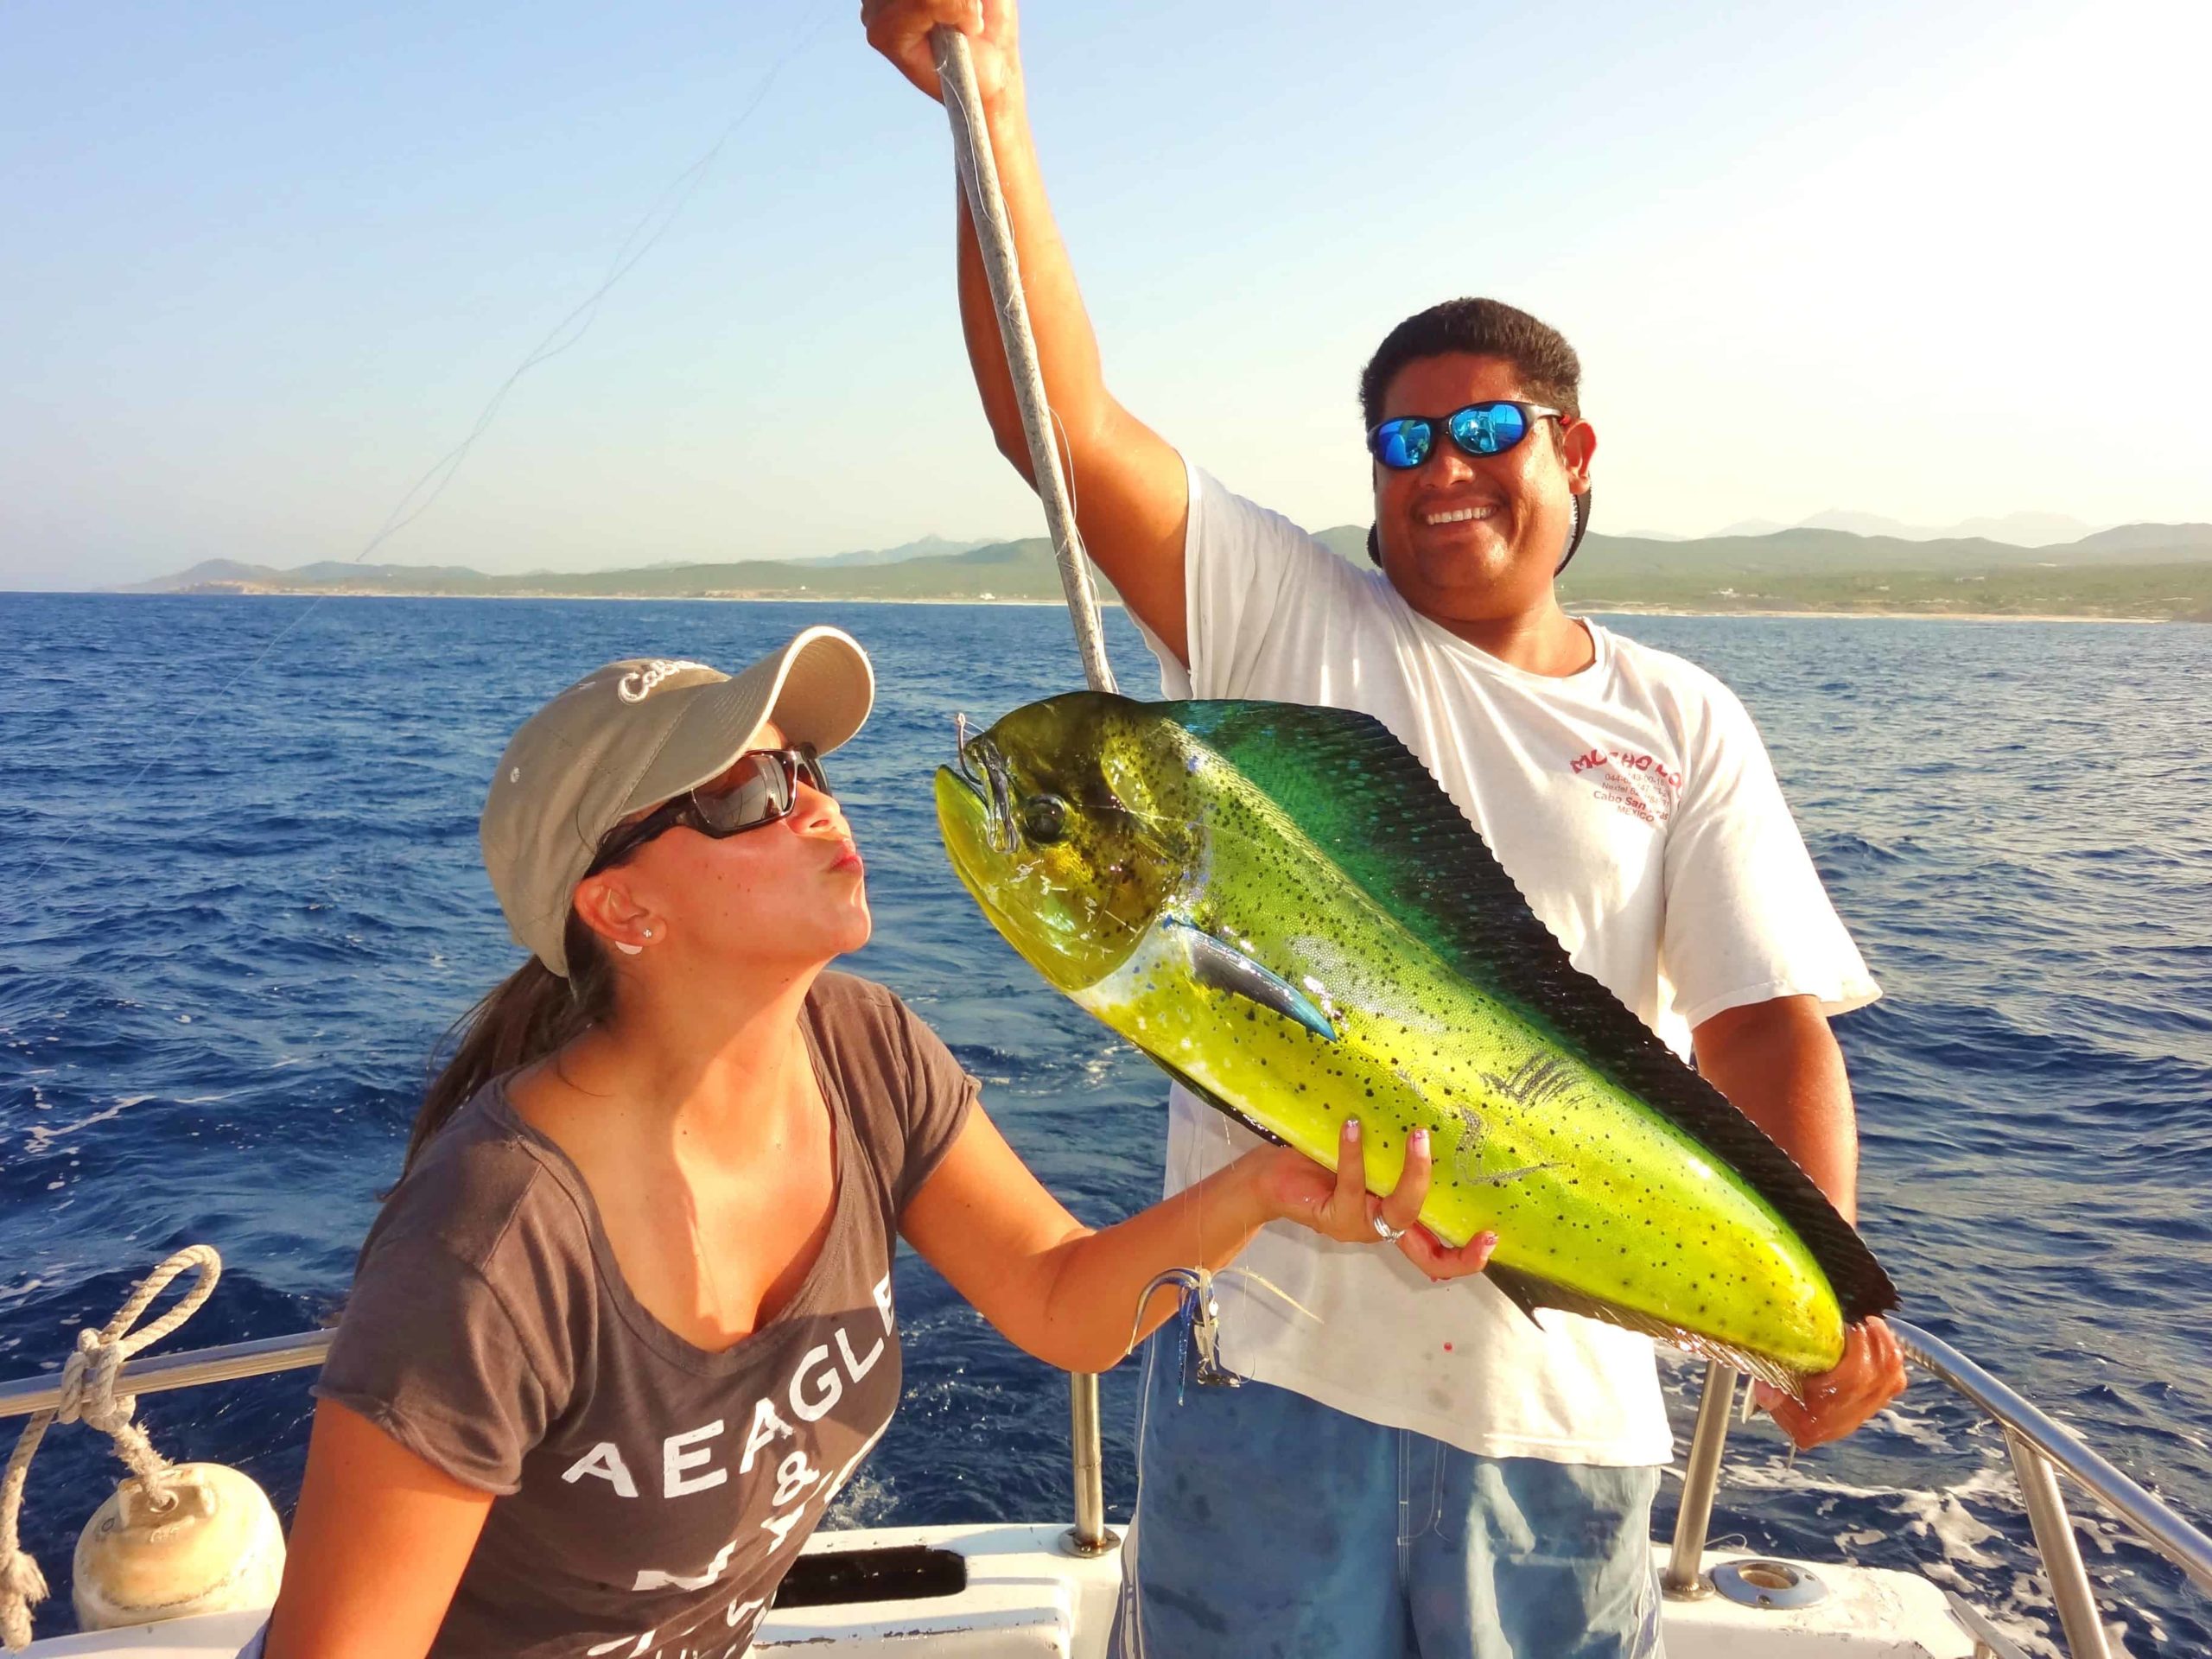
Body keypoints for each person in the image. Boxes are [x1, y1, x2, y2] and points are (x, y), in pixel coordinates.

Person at [862, 6, 1911, 1656]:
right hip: (1268, 1386)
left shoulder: (1683, 717)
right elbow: (1057, 429)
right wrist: (983, 96)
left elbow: (1762, 1024)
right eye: (1405, 441)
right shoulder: (1287, 620)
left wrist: (1824, 1298)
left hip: (1559, 1419)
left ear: (1570, 450)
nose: (1444, 471)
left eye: (1487, 431)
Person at [252, 626, 1494, 1659]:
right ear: (621, 907)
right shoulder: (495, 1239)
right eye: (748, 794)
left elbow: (1062, 1305)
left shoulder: (866, 1049)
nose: (814, 808)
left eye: (807, 768)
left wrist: (1265, 1189)